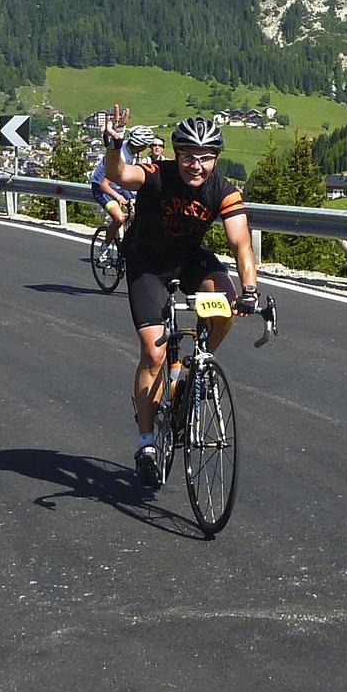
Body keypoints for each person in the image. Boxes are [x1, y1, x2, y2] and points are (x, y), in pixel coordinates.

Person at [98, 110, 260, 485]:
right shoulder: (158, 176)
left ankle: (198, 368)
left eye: (205, 157)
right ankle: (145, 440)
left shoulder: (223, 190)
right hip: (147, 265)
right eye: (188, 155)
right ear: (175, 153)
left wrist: (250, 289)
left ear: (216, 158)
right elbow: (120, 175)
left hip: (187, 258)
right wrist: (115, 144)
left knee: (225, 303)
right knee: (154, 353)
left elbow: (240, 242)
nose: (196, 165)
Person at [91, 124, 152, 232]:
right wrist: (119, 198)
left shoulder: (132, 150)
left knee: (140, 212)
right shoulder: (121, 157)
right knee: (119, 218)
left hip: (118, 185)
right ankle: (105, 245)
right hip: (101, 187)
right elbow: (104, 185)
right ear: (141, 146)